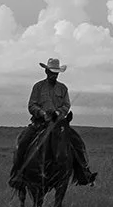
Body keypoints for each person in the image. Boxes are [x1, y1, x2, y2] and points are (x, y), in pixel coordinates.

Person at [10, 57, 96, 187]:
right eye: (52, 73)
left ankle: (84, 173)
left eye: (56, 73)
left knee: (77, 142)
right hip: (39, 124)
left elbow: (66, 105)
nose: (54, 75)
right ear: (46, 72)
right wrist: (41, 113)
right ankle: (17, 174)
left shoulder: (63, 88)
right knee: (23, 142)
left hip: (58, 124)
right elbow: (31, 105)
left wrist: (59, 113)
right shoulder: (38, 87)